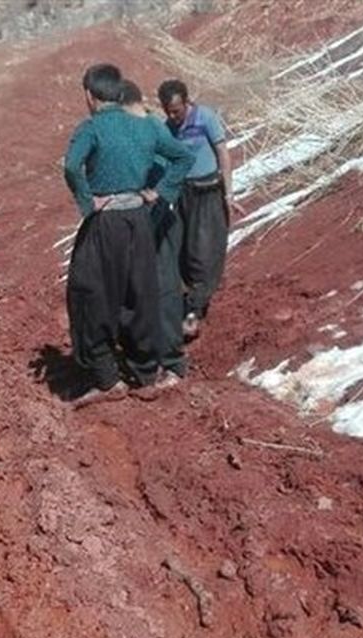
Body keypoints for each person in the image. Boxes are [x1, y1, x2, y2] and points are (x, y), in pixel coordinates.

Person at [62, 64, 194, 405]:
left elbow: (71, 166)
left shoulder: (91, 128)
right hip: (139, 219)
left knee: (88, 290)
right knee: (139, 292)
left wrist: (88, 202)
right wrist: (160, 192)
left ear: (90, 96)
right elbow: (183, 156)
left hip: (106, 223)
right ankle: (146, 373)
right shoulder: (145, 127)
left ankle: (106, 378)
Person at [118, 79, 188, 385]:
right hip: (134, 219)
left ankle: (171, 362)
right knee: (134, 290)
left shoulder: (152, 127)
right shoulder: (125, 132)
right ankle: (145, 361)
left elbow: (183, 158)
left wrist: (160, 193)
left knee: (164, 289)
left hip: (158, 218)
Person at [157, 79, 238, 340]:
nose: (173, 116)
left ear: (187, 102)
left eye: (177, 110)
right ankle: (185, 303)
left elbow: (223, 153)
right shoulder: (167, 129)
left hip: (209, 191)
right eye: (168, 111)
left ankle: (193, 311)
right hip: (184, 195)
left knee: (204, 252)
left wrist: (228, 193)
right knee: (182, 251)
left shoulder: (206, 118)